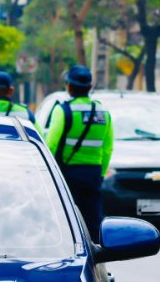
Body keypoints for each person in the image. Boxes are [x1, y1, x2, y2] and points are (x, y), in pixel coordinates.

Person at [43, 65, 113, 243]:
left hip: (67, 174)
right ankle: (96, 261)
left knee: (65, 220)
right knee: (93, 222)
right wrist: (101, 173)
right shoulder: (103, 112)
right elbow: (107, 148)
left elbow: (51, 144)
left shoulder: (63, 110)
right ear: (90, 87)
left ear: (68, 86)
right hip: (93, 173)